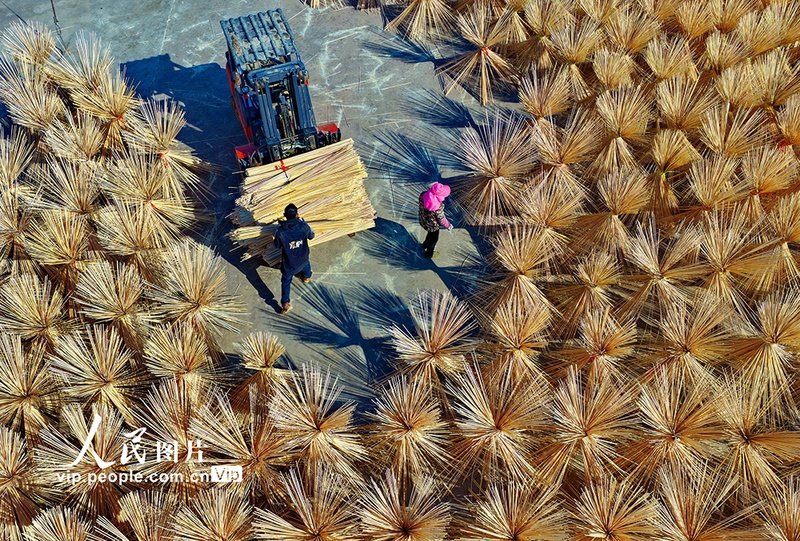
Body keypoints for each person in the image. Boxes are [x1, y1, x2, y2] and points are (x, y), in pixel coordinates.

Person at [272, 203, 315, 314]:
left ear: (284, 215)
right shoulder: (304, 226)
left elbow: (276, 246)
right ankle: (307, 277)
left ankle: (286, 303)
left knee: (286, 281)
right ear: (297, 214)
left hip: (289, 263)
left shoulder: (280, 232)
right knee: (306, 267)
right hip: (303, 257)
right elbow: (311, 236)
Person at [418, 182, 453, 258]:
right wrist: (448, 225)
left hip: (424, 220)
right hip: (433, 225)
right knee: (434, 239)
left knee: (429, 234)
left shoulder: (423, 195)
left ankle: (425, 245)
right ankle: (429, 253)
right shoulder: (438, 207)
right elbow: (441, 219)